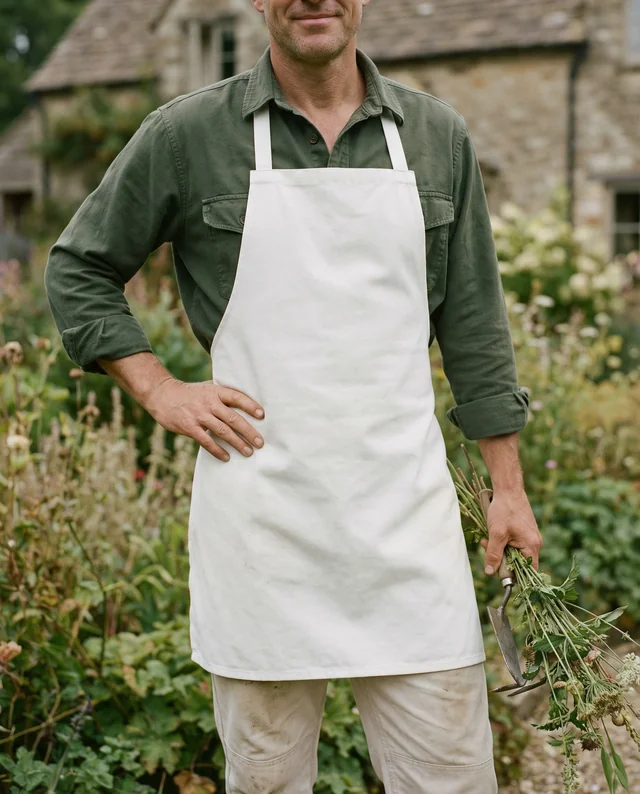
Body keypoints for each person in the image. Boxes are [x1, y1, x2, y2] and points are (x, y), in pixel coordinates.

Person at [44, 1, 543, 791]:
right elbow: (78, 267)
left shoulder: (434, 136)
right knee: (268, 780)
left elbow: (475, 324)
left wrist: (508, 489)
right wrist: (159, 388)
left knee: (452, 776)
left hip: (405, 524)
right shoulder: (188, 136)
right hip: (264, 522)